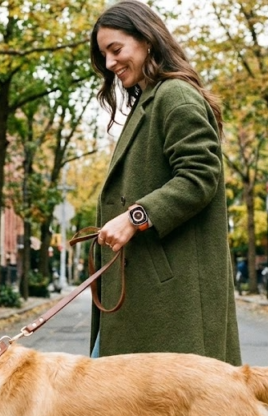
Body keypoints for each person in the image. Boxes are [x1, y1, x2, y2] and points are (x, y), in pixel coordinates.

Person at [88, 0, 241, 366]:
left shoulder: (174, 96)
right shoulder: (151, 100)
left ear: (147, 40)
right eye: (104, 55)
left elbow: (200, 174)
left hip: (170, 300)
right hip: (149, 295)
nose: (109, 63)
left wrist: (135, 217)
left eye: (116, 49)